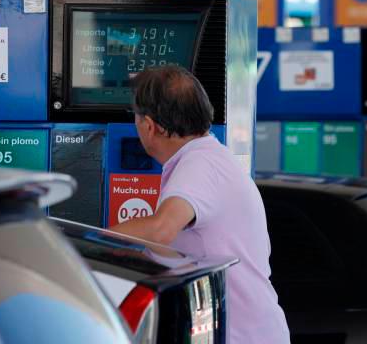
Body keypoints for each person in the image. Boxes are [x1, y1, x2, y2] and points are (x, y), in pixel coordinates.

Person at [110, 66, 290, 344]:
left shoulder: (200, 164)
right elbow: (178, 247)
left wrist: (91, 243)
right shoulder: (206, 158)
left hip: (241, 336)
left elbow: (161, 229)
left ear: (149, 125)